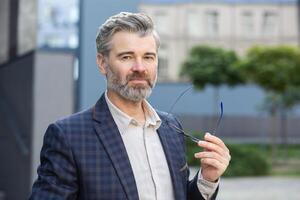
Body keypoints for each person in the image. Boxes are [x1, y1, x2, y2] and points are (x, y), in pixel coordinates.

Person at [29, 12, 230, 200]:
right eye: (126, 57)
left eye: (148, 57)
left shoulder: (171, 128)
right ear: (102, 63)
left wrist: (207, 179)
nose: (140, 68)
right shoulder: (68, 136)